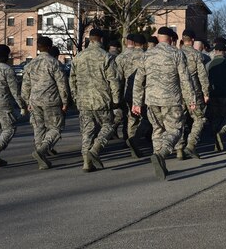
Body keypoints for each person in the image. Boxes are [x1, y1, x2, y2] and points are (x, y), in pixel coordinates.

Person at [131, 26, 196, 180]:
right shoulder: (176, 53)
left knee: (157, 130)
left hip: (151, 100)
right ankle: (162, 154)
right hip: (171, 99)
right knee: (175, 130)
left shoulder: (147, 55)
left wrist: (136, 102)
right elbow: (185, 78)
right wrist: (191, 99)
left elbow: (139, 80)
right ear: (170, 38)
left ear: (158, 37)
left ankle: (159, 162)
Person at [69, 28, 122, 172]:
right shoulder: (106, 57)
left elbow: (72, 79)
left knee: (87, 131)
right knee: (108, 126)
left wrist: (75, 97)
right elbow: (113, 80)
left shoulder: (78, 57)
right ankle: (96, 148)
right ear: (102, 39)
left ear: (90, 39)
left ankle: (86, 162)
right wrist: (116, 99)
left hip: (84, 101)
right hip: (102, 99)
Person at [21, 36, 70, 169]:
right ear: (49, 47)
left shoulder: (30, 64)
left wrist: (26, 101)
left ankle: (40, 156)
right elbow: (62, 84)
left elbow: (25, 85)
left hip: (35, 101)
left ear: (38, 47)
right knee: (56, 128)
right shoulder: (54, 63)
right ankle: (42, 150)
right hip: (51, 100)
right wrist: (65, 101)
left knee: (38, 128)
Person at [175, 29, 210, 159]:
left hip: (177, 92)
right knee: (199, 119)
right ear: (193, 40)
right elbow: (202, 76)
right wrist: (206, 92)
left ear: (183, 40)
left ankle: (179, 148)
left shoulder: (176, 54)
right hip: (193, 92)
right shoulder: (196, 55)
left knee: (179, 120)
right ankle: (191, 145)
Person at [114, 33, 144, 158]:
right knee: (144, 118)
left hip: (127, 91)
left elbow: (118, 78)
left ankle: (128, 138)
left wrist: (117, 94)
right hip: (143, 91)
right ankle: (134, 140)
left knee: (129, 117)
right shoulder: (145, 56)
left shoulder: (121, 57)